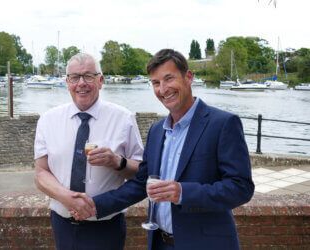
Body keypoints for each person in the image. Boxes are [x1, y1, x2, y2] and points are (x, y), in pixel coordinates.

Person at [82, 49, 254, 250]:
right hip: (159, 243)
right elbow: (141, 184)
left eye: (168, 79)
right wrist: (95, 205)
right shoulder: (156, 130)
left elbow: (241, 188)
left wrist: (182, 192)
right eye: (155, 83)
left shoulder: (223, 123)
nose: (163, 89)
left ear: (188, 77)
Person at [34, 52, 144, 250]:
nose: (81, 83)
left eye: (88, 76)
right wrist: (67, 198)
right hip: (62, 224)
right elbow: (41, 172)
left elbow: (141, 172)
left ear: (100, 80)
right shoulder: (48, 120)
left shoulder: (124, 118)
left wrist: (117, 161)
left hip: (107, 226)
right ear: (67, 82)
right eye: (74, 77)